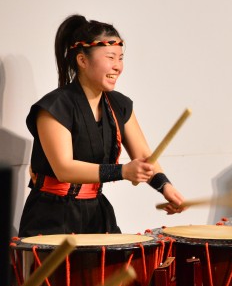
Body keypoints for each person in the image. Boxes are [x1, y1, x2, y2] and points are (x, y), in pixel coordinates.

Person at [18, 14, 185, 237]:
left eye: (121, 58)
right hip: (51, 215)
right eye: (110, 57)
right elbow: (64, 168)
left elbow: (146, 157)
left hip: (97, 212)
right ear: (82, 60)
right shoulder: (55, 106)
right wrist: (123, 171)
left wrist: (166, 188)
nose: (118, 66)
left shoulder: (120, 105)